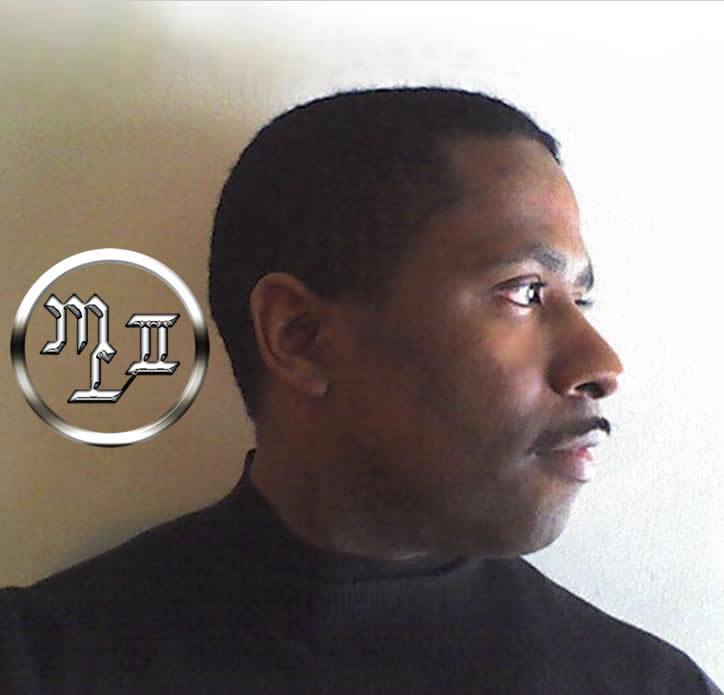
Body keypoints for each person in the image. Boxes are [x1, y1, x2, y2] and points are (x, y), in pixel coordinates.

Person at [1, 86, 720, 694]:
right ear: (302, 337)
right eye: (525, 291)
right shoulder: (40, 663)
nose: (601, 362)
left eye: (580, 299)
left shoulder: (649, 686)